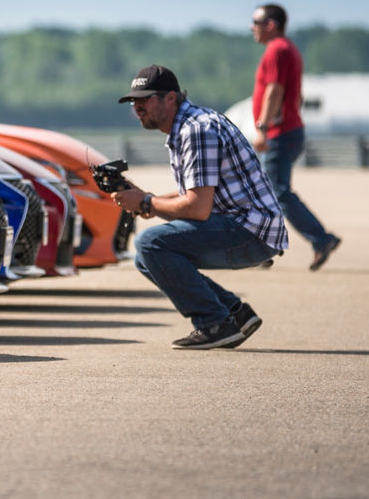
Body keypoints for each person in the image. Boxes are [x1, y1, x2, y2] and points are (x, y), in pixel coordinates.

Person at [112, 65, 288, 349]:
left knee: (150, 243)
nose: (137, 106)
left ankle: (214, 323)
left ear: (171, 98)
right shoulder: (191, 124)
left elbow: (197, 208)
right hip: (246, 224)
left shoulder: (196, 131)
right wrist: (149, 198)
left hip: (250, 231)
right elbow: (197, 195)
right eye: (134, 100)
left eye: (145, 98)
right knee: (146, 258)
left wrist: (146, 203)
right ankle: (234, 314)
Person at [251, 3, 341, 270]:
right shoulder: (289, 49)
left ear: (271, 25)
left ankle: (320, 239)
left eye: (255, 22)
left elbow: (274, 90)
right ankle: (262, 249)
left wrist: (263, 128)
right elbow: (297, 95)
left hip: (279, 133)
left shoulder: (277, 49)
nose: (251, 28)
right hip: (289, 129)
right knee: (266, 192)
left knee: (276, 192)